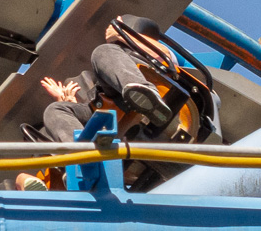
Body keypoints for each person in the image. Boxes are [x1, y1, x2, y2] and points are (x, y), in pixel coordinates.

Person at [38, 15, 176, 142]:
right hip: (113, 102)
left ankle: (147, 97)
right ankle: (82, 153)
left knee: (102, 51)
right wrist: (70, 102)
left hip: (147, 88)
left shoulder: (160, 51)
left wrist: (122, 35)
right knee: (55, 110)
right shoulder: (115, 58)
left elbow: (166, 58)